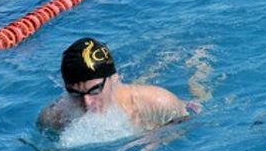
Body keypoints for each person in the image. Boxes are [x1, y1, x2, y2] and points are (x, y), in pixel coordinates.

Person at [38, 38, 195, 135]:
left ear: (113, 79)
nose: (87, 103)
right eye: (75, 94)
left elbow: (188, 120)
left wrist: (156, 139)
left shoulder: (158, 102)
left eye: (95, 90)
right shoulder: (52, 118)